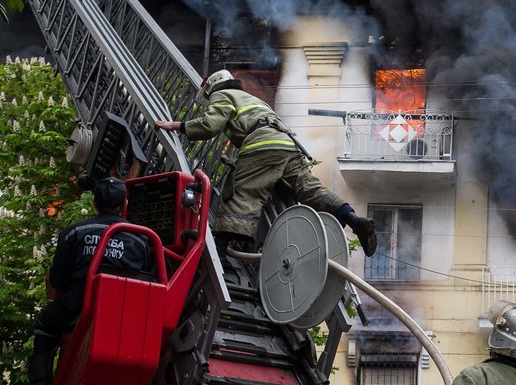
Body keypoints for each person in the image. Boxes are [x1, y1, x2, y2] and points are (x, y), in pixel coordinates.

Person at [155, 70, 377, 258]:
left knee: (241, 191)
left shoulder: (222, 95)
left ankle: (220, 250)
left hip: (262, 145)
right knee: (310, 189)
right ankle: (353, 219)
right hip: (289, 146)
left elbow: (210, 125)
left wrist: (179, 126)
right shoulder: (254, 100)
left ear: (211, 87)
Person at [27, 177, 152, 385]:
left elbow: (59, 280)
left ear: (94, 203)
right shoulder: (142, 239)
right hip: (125, 316)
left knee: (45, 322)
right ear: (125, 203)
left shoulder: (75, 232)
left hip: (79, 309)